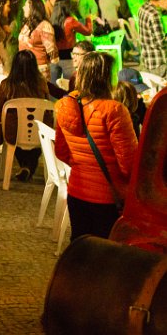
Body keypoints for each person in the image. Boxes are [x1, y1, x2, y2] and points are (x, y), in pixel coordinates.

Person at [54, 52, 138, 240]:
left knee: (81, 245)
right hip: (108, 197)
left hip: (77, 191)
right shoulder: (114, 110)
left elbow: (60, 151)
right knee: (105, 250)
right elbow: (129, 164)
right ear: (107, 77)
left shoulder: (66, 105)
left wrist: (83, 164)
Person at [0, 50, 54, 182]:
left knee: (14, 134)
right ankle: (28, 167)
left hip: (13, 133)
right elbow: (48, 107)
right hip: (38, 132)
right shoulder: (41, 84)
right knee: (36, 139)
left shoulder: (6, 85)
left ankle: (26, 167)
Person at [51, 0, 92, 78]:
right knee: (69, 82)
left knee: (53, 83)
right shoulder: (70, 21)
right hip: (68, 56)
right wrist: (88, 19)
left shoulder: (51, 21)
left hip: (54, 57)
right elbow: (87, 31)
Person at [18, 0, 58, 81]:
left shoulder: (45, 25)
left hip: (38, 70)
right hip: (23, 68)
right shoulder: (27, 25)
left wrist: (53, 64)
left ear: (33, 8)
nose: (23, 8)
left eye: (26, 6)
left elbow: (51, 50)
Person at [137, 0, 167, 78]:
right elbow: (161, 43)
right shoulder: (155, 14)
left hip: (147, 59)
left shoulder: (143, 8)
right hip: (158, 62)